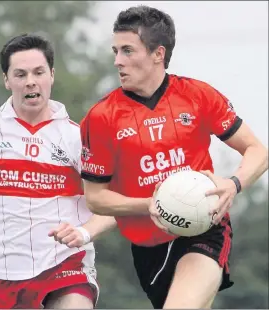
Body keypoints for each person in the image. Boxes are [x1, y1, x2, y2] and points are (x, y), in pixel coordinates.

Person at [79, 5, 268, 309]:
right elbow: (96, 198)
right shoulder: (101, 117)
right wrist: (149, 205)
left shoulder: (198, 95)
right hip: (148, 250)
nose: (117, 61)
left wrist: (234, 183)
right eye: (115, 51)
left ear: (158, 53)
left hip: (205, 230)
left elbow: (258, 151)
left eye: (128, 51)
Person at [0, 33, 116, 309]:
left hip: (66, 264)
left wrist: (84, 233)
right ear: (7, 80)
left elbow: (115, 204)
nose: (30, 80)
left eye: (38, 72)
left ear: (51, 75)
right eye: (20, 74)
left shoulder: (77, 138)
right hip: (6, 273)